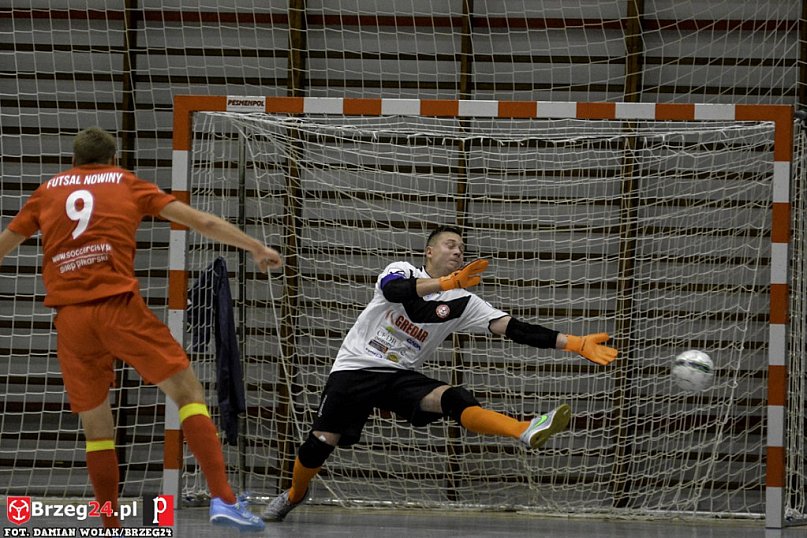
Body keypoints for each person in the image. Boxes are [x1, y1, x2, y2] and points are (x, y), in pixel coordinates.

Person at [0, 127, 281, 532]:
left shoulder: (46, 192)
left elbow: (5, 244)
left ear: (73, 161)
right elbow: (201, 221)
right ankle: (223, 498)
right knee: (187, 393)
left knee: (97, 428)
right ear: (114, 159)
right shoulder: (126, 183)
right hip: (118, 309)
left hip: (71, 320)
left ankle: (110, 524)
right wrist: (255, 246)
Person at [262, 225, 617, 522]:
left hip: (400, 374)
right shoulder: (403, 270)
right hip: (356, 367)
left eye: (462, 248)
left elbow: (514, 328)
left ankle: (523, 429)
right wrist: (445, 284)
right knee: (320, 443)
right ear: (429, 252)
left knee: (454, 398)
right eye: (450, 245)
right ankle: (295, 494)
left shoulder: (465, 301)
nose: (458, 252)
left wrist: (573, 343)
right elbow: (397, 293)